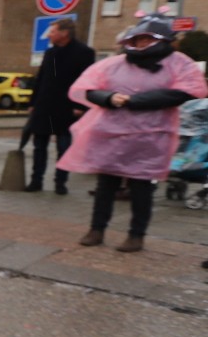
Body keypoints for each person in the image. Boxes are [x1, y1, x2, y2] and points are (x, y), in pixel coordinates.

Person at [61, 15, 207, 252]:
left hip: (152, 134)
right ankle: (96, 229)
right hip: (112, 132)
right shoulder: (113, 64)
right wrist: (109, 97)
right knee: (106, 183)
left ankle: (136, 235)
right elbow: (88, 88)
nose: (142, 44)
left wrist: (135, 101)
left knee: (141, 185)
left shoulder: (179, 63)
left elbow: (187, 91)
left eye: (147, 39)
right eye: (138, 39)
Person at [23, 18, 95, 194]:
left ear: (64, 33)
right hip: (44, 105)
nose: (49, 35)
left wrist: (80, 105)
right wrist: (33, 103)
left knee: (63, 147)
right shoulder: (50, 53)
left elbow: (87, 81)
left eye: (53, 31)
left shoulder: (84, 53)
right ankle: (36, 180)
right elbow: (41, 78)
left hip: (67, 107)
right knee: (39, 146)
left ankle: (60, 182)